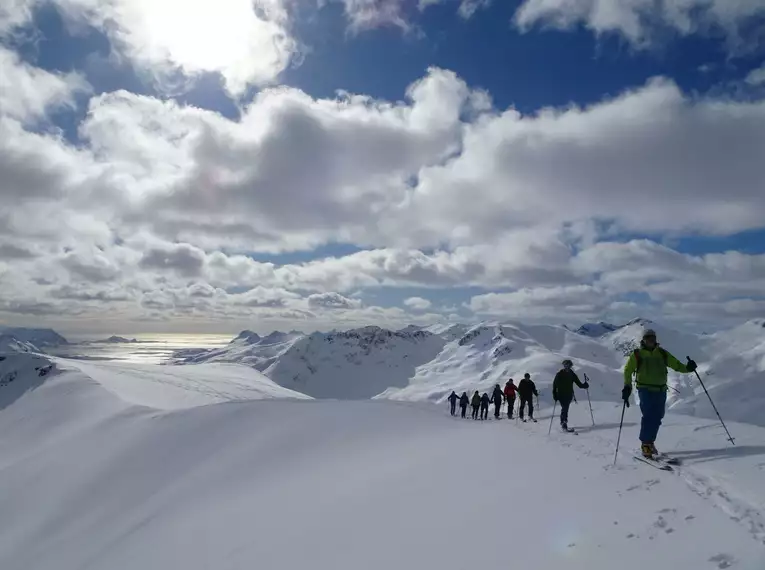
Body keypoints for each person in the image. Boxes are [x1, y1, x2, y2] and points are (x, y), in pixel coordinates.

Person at [623, 328, 697, 459]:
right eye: (648, 338)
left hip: (661, 390)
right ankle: (645, 444)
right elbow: (628, 371)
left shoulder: (662, 353)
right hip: (645, 389)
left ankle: (650, 442)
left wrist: (688, 368)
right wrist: (627, 386)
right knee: (648, 415)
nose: (651, 340)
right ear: (643, 340)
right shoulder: (637, 355)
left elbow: (677, 365)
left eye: (653, 338)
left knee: (658, 417)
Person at [552, 360, 589, 431]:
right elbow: (554, 385)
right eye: (566, 365)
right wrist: (555, 395)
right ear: (564, 366)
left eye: (569, 366)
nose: (567, 367)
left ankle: (563, 422)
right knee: (565, 408)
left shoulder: (572, 374)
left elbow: (579, 384)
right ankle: (564, 422)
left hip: (569, 395)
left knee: (565, 408)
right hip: (561, 394)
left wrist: (585, 385)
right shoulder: (559, 374)